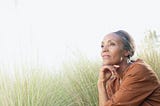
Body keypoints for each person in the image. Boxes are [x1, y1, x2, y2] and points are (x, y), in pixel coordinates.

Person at [98, 30, 160, 106]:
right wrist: (101, 83)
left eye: (112, 44)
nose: (104, 50)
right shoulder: (114, 81)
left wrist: (101, 85)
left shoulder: (139, 71)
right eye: (102, 46)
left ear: (127, 51)